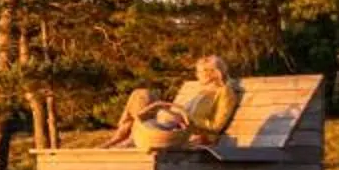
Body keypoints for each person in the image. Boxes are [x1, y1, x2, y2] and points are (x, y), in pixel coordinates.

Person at [100, 55, 241, 149]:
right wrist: (172, 114)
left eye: (200, 72)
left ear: (213, 73)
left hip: (185, 133)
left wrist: (186, 120)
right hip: (172, 125)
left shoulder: (225, 93)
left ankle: (124, 139)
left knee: (145, 104)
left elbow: (216, 126)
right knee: (141, 94)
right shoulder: (201, 91)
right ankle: (122, 137)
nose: (197, 75)